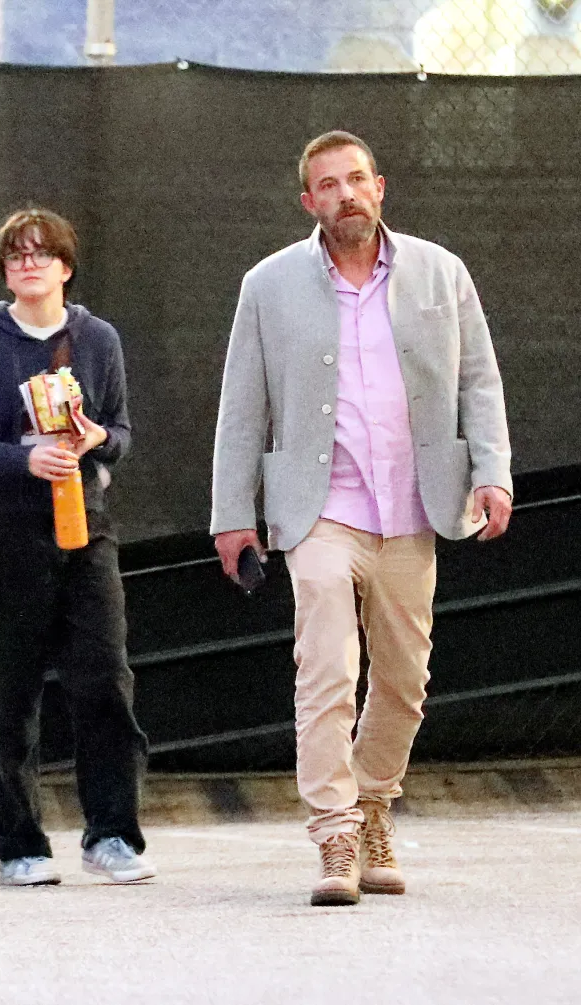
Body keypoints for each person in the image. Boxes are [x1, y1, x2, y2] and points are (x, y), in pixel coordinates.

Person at [211, 131, 512, 906]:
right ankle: (336, 831)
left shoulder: (443, 274)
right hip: (320, 511)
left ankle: (374, 799)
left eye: (356, 180)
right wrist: (231, 515)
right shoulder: (268, 284)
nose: (345, 194)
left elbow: (479, 380)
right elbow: (243, 405)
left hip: (414, 507)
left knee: (406, 681)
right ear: (308, 201)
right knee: (329, 668)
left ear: (381, 187)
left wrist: (493, 474)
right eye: (327, 184)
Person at [0, 208, 155, 887]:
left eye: (43, 252)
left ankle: (113, 833)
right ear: (4, 269)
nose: (29, 263)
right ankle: (19, 842)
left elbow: (119, 428)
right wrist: (19, 461)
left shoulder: (98, 339)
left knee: (106, 679)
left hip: (86, 527)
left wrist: (96, 440)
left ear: (66, 266)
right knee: (9, 692)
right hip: (3, 529)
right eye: (16, 254)